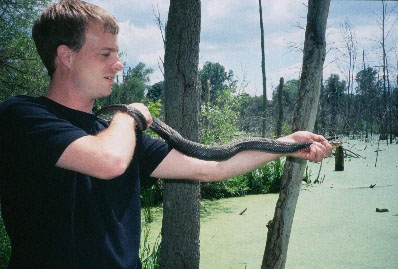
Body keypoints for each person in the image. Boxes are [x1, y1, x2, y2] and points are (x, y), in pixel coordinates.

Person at [0, 0, 332, 268]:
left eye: (117, 54)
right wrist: (129, 113)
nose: (118, 65)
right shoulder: (23, 115)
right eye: (105, 54)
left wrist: (285, 145)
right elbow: (109, 161)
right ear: (65, 56)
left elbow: (212, 167)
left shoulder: (116, 132)